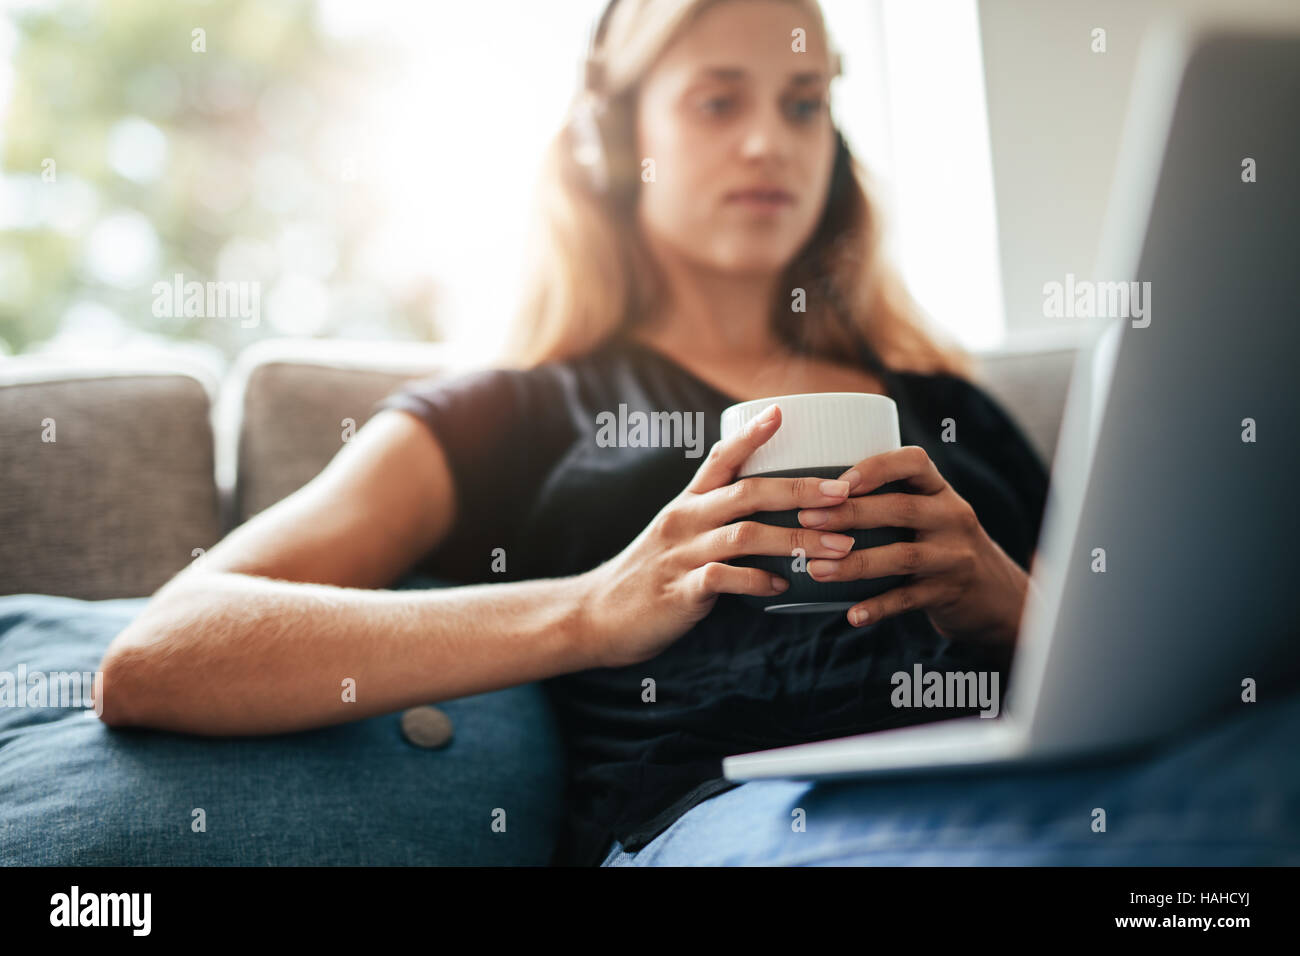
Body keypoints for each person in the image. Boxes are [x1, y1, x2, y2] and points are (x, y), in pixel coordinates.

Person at [90, 0, 1297, 868]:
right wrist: (594, 607)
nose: (771, 142)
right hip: (731, 822)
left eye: (804, 103)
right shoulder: (511, 408)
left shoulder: (955, 405)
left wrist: (1005, 598)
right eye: (717, 101)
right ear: (617, 142)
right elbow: (163, 652)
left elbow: (1162, 668)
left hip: (1037, 780)